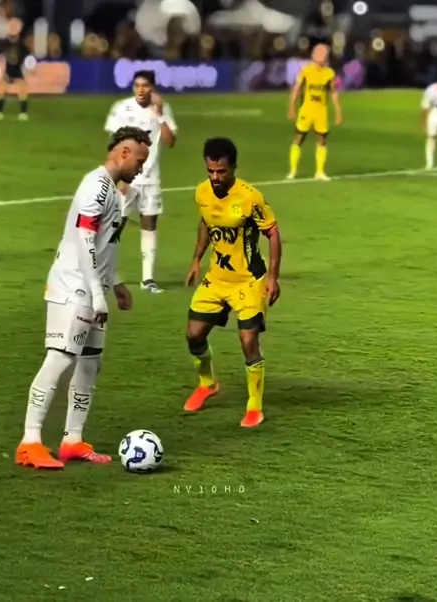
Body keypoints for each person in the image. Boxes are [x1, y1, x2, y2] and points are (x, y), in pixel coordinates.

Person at [15, 126, 151, 469]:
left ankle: (72, 440)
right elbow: (85, 241)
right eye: (139, 161)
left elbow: (106, 245)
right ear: (124, 153)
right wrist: (96, 294)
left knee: (90, 363)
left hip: (93, 288)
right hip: (72, 287)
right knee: (59, 359)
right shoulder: (96, 186)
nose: (141, 168)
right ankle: (29, 442)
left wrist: (115, 283)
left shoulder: (117, 192)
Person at [184, 137, 282, 428]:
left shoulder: (250, 198)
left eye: (221, 172)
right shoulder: (202, 192)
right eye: (210, 171)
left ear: (234, 168)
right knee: (194, 335)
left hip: (248, 281)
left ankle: (254, 406)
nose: (215, 177)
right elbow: (206, 222)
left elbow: (273, 233)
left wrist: (273, 277)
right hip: (217, 277)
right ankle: (208, 384)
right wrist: (196, 259)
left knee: (248, 340)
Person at [104, 70, 178, 294]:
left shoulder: (162, 109)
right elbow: (114, 145)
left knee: (149, 225)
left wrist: (160, 115)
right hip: (128, 178)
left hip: (151, 179)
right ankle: (104, 271)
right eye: (137, 85)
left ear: (152, 87)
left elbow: (170, 141)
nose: (141, 89)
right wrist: (119, 177)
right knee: (116, 225)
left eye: (145, 85)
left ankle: (147, 279)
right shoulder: (122, 108)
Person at [288, 44, 343, 181]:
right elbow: (297, 88)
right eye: (318, 53)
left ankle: (319, 172)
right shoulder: (306, 70)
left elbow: (333, 92)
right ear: (313, 55)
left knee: (322, 140)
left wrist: (338, 111)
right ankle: (293, 171)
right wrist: (291, 106)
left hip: (321, 111)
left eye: (323, 53)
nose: (321, 56)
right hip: (306, 110)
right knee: (299, 138)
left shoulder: (329, 73)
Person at [0, 26, 30, 122]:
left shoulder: (21, 45)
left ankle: (23, 113)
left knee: (22, 91)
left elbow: (27, 59)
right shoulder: (5, 44)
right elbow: (0, 57)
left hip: (17, 70)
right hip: (8, 70)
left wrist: (27, 69)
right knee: (2, 91)